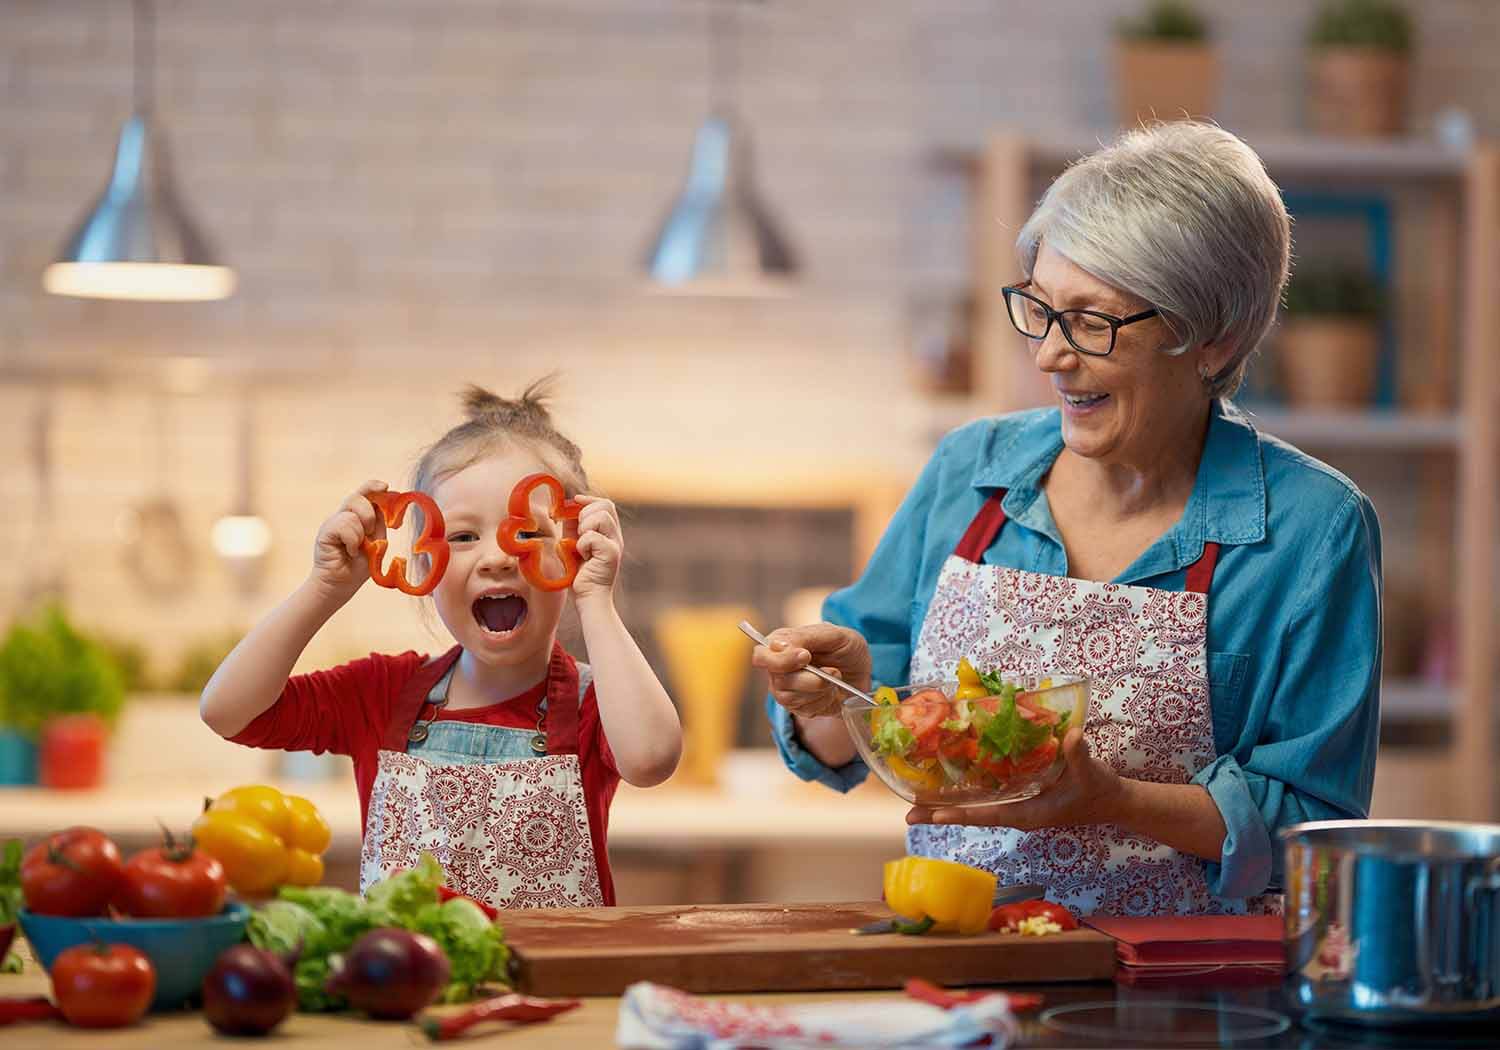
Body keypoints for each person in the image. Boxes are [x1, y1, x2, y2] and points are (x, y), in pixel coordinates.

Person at [753, 123, 1381, 916]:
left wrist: (1111, 799)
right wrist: (835, 696)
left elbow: (1315, 828)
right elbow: (841, 745)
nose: (1049, 355)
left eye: (1093, 321)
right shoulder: (969, 472)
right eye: (1040, 309)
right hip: (961, 970)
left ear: (1212, 341)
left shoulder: (1313, 530)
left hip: (1189, 1003)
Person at [202, 380, 682, 908]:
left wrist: (596, 599)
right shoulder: (382, 694)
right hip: (407, 988)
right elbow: (227, 711)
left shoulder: (597, 705)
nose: (497, 557)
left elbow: (652, 758)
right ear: (424, 565)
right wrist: (324, 589)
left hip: (555, 983)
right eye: (462, 536)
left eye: (525, 534)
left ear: (570, 554)